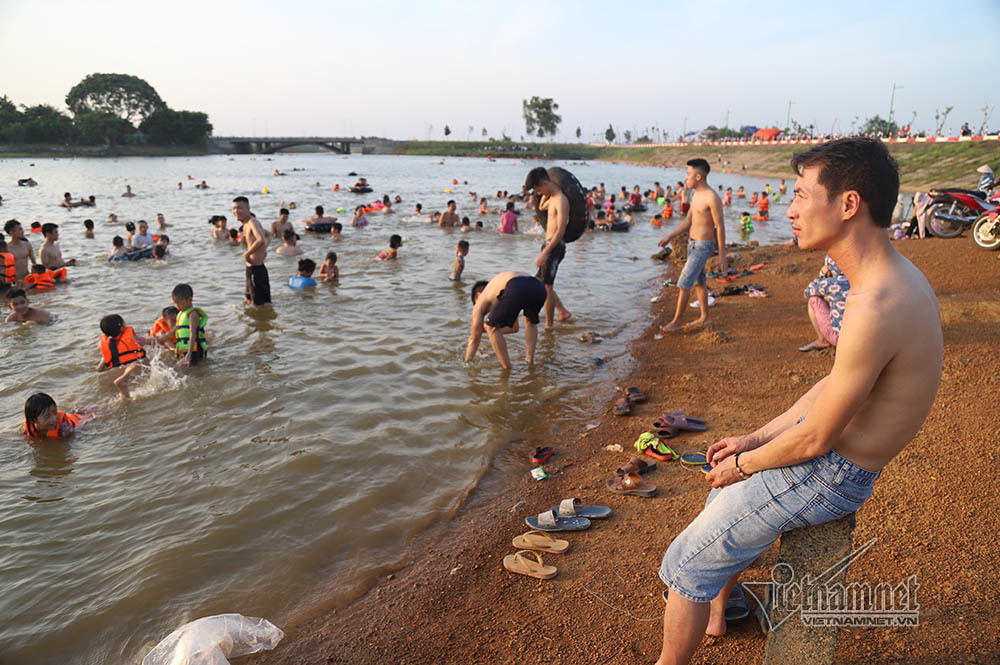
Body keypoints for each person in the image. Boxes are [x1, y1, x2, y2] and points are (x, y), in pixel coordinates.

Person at [652, 138, 943, 665]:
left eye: (803, 195)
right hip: (836, 464)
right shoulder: (891, 279)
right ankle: (724, 610)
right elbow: (832, 388)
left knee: (685, 563)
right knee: (719, 501)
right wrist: (755, 439)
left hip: (831, 474)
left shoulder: (875, 303)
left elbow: (815, 438)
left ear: (848, 204)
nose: (789, 210)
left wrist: (743, 464)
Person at [657, 158, 727, 332]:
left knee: (683, 283)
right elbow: (689, 221)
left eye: (688, 174)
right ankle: (705, 317)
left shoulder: (712, 197)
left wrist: (722, 255)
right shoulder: (696, 195)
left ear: (698, 177)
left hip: (703, 246)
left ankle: (676, 321)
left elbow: (720, 226)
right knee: (699, 282)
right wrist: (670, 236)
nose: (685, 178)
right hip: (692, 244)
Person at [464, 271, 547, 369]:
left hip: (517, 286)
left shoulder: (481, 301)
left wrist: (467, 362)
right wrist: (483, 330)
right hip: (539, 287)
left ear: (477, 296)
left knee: (490, 327)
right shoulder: (500, 290)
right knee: (530, 322)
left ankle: (507, 368)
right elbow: (514, 328)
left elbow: (474, 339)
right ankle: (530, 361)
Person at [524, 167, 573, 326]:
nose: (537, 193)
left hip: (555, 246)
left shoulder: (561, 201)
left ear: (545, 182)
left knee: (547, 287)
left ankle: (549, 327)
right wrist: (546, 192)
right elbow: (542, 207)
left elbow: (561, 230)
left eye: (538, 189)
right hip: (549, 245)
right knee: (542, 282)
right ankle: (563, 312)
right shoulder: (552, 198)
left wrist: (545, 252)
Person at [799, 255, 849, 352]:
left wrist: (822, 274)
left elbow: (808, 291)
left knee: (814, 299)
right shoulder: (858, 280)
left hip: (841, 340)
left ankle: (822, 340)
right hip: (860, 338)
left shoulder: (829, 283)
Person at [95, 313, 150, 400]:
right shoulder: (132, 338)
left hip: (117, 369)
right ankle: (124, 378)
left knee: (125, 396)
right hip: (132, 369)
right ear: (121, 328)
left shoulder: (108, 344)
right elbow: (154, 341)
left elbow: (100, 368)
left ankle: (123, 385)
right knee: (144, 361)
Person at [233, 196, 271, 307]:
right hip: (251, 270)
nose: (236, 211)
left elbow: (261, 239)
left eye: (239, 208)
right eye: (234, 209)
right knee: (248, 301)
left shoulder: (252, 222)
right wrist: (264, 249)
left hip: (257, 270)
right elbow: (269, 235)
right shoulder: (246, 224)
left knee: (260, 306)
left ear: (248, 208)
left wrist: (247, 254)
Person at [22, 392, 90, 439]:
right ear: (33, 420)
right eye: (47, 416)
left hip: (79, 418)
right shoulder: (28, 427)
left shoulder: (63, 428)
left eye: (55, 412)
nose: (54, 419)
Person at [169, 283, 206, 367]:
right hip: (184, 348)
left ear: (190, 299)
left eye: (179, 303)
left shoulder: (192, 314)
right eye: (175, 303)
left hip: (193, 350)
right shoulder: (181, 313)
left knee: (194, 370)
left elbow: (193, 334)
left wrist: (189, 355)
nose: (177, 306)